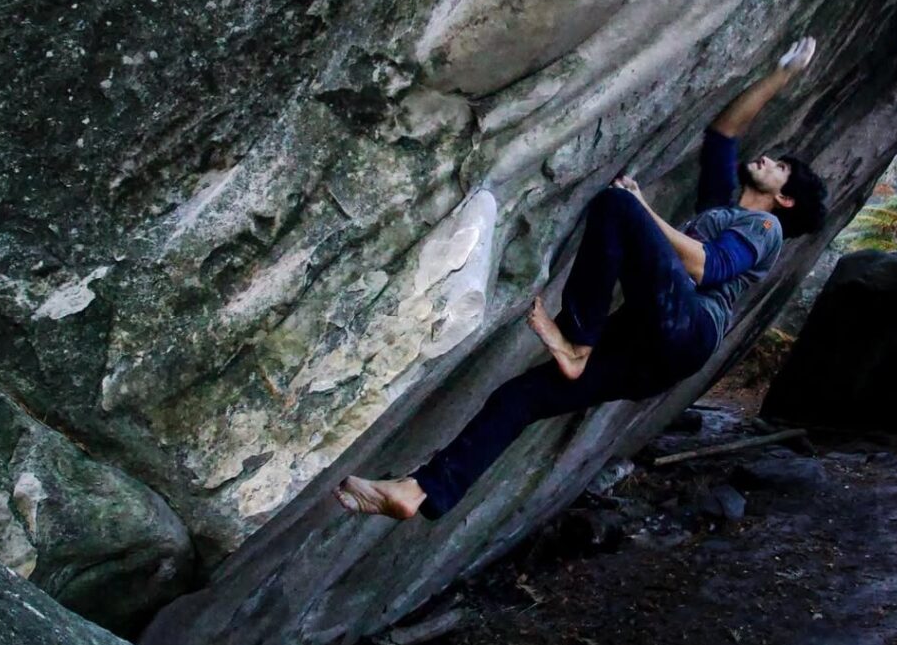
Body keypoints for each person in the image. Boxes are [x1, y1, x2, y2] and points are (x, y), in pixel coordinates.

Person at [336, 37, 828, 520]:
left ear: (785, 199)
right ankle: (417, 491)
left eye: (780, 167)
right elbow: (723, 134)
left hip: (688, 330)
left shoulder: (765, 228)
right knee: (520, 397)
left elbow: (706, 267)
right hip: (647, 351)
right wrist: (782, 75)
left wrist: (641, 207)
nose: (767, 159)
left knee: (617, 205)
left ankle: (576, 342)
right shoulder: (722, 206)